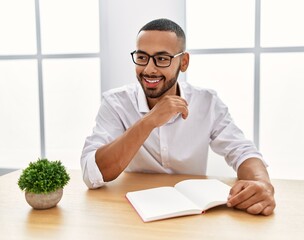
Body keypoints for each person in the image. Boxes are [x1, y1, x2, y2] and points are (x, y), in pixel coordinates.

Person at [81, 18, 275, 216]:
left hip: (196, 215)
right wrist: (149, 121)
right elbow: (92, 174)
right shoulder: (115, 103)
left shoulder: (207, 101)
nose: (149, 69)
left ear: (183, 62)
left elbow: (242, 151)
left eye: (162, 59)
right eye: (142, 57)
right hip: (132, 211)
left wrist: (262, 184)